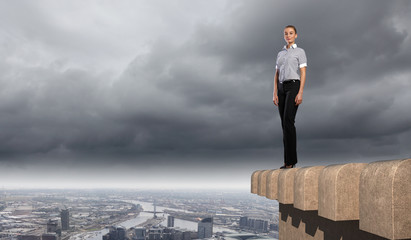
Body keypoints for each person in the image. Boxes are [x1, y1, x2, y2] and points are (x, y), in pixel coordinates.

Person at [273, 25, 307, 169]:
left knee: (288, 121)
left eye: (291, 33)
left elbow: (303, 72)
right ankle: (287, 161)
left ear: (296, 35)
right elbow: (276, 73)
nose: (288, 35)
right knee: (283, 125)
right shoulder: (280, 53)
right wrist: (274, 92)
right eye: (286, 33)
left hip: (294, 85)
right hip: (281, 87)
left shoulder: (300, 52)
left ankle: (291, 161)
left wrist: (300, 92)